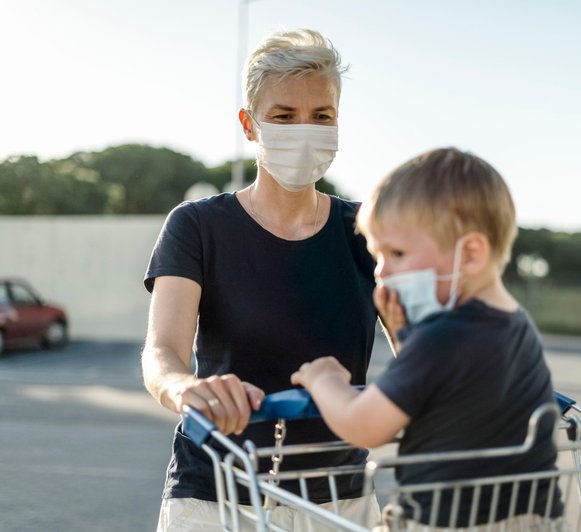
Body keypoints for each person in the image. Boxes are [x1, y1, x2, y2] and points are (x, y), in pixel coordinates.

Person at [141, 29, 381, 531]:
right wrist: (186, 388)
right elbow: (162, 352)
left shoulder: (368, 232)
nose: (305, 130)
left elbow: (424, 350)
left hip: (339, 501)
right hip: (216, 496)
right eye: (284, 116)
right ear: (250, 126)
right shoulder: (198, 226)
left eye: (322, 116)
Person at [291, 147, 565, 531]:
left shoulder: (442, 338)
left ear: (469, 254)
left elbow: (365, 424)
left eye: (397, 253)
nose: (382, 272)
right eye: (377, 255)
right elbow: (444, 395)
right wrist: (407, 336)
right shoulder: (515, 326)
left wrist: (324, 380)